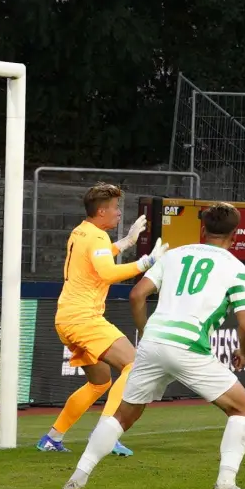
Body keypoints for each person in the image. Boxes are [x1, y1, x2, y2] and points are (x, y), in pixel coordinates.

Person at [63, 202, 245, 489]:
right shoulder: (236, 268)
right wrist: (244, 353)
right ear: (235, 233)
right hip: (189, 345)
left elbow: (137, 295)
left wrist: (145, 331)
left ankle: (76, 480)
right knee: (242, 408)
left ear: (202, 228)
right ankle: (225, 486)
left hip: (154, 342)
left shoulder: (176, 255)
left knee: (123, 415)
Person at [39, 184, 157, 456]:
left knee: (100, 382)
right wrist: (146, 262)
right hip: (84, 319)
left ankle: (52, 438)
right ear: (102, 211)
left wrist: (125, 243)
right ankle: (105, 433)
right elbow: (106, 272)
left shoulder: (82, 231)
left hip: (66, 319)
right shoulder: (97, 237)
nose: (118, 213)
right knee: (134, 364)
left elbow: (97, 257)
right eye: (116, 208)